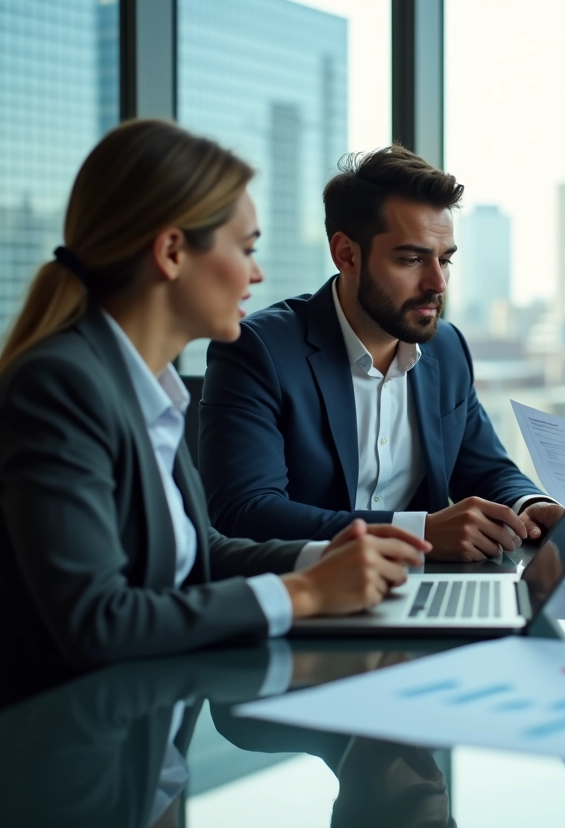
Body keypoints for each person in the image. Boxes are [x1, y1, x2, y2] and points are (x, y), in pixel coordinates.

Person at [0, 120, 430, 671]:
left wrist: (328, 558)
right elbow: (99, 622)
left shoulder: (142, 386)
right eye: (246, 248)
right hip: (71, 742)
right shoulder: (62, 386)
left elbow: (198, 552)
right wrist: (306, 594)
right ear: (173, 252)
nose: (257, 273)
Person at [200, 145, 563, 562]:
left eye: (444, 261)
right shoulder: (257, 350)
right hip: (307, 599)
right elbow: (244, 512)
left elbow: (486, 469)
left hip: (423, 591)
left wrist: (530, 507)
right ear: (347, 254)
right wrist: (418, 532)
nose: (438, 283)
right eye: (412, 259)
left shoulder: (447, 348)